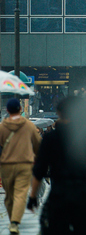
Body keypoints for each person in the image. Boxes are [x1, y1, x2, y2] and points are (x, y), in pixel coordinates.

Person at [27, 96, 86, 234]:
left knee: (57, 229)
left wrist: (33, 197)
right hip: (81, 191)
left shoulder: (50, 138)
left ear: (58, 113)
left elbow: (39, 169)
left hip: (59, 192)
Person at [0, 98, 41, 234]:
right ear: (20, 109)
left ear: (7, 110)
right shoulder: (29, 126)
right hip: (24, 164)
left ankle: (13, 220)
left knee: (9, 195)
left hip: (6, 165)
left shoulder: (2, 126)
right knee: (20, 194)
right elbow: (38, 144)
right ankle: (14, 222)